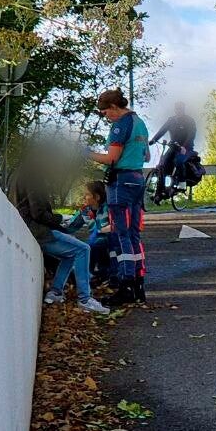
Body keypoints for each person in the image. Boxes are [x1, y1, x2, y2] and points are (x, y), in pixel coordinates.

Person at [8, 153, 110, 315]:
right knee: (83, 249)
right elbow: (38, 213)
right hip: (38, 231)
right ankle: (85, 299)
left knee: (69, 254)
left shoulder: (17, 175)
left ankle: (55, 292)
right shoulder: (32, 176)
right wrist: (60, 218)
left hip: (26, 229)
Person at [89, 88, 149, 305]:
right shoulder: (139, 122)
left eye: (106, 113)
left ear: (114, 107)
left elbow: (112, 158)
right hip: (137, 179)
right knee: (133, 234)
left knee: (120, 234)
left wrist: (86, 153)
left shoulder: (120, 125)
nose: (106, 117)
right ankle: (138, 284)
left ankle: (125, 285)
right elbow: (146, 155)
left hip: (121, 182)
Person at [65, 180, 112, 282]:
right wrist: (56, 228)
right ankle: (87, 274)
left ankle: (103, 273)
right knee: (87, 246)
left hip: (109, 241)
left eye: (87, 194)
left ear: (97, 197)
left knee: (96, 244)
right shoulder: (85, 210)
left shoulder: (109, 208)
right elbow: (71, 226)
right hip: (95, 242)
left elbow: (116, 226)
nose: (84, 197)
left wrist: (100, 231)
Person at [150, 101, 198, 199]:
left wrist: (184, 146)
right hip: (173, 146)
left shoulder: (189, 120)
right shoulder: (171, 120)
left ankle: (182, 183)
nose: (178, 111)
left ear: (183, 109)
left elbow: (191, 135)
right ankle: (160, 192)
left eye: (180, 109)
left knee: (179, 161)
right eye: (177, 109)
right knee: (163, 164)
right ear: (175, 110)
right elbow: (162, 130)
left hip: (186, 148)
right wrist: (153, 140)